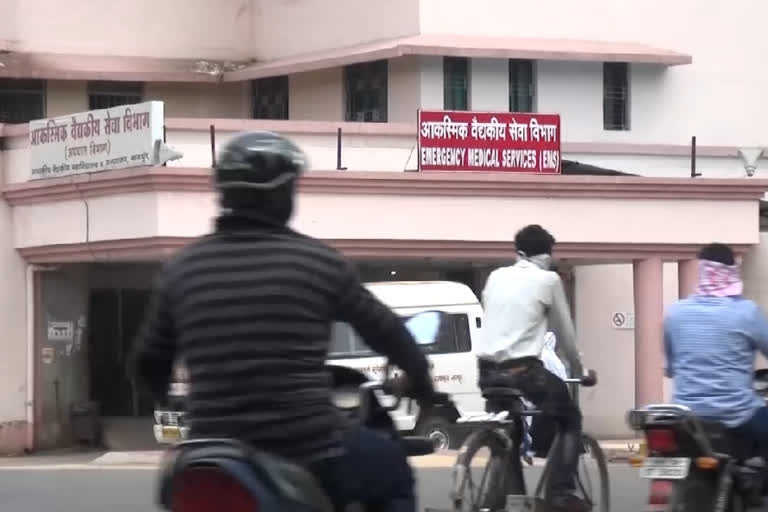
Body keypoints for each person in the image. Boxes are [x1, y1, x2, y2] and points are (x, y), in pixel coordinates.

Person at [131, 131, 436, 512]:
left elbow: (148, 363)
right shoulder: (318, 262)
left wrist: (185, 405)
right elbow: (389, 334)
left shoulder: (181, 270)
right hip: (306, 447)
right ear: (280, 194)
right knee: (392, 469)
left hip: (208, 452)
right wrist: (421, 383)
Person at [476, 224, 586, 512]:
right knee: (570, 418)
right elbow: (566, 336)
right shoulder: (548, 280)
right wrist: (580, 368)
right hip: (523, 370)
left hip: (486, 371)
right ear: (548, 254)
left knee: (508, 433)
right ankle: (561, 491)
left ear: (518, 251)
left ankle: (506, 498)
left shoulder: (496, 276)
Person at [665, 242, 768, 461]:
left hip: (686, 414)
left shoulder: (676, 313)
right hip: (736, 414)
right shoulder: (746, 312)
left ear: (701, 271)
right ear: (732, 272)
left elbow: (671, 367)